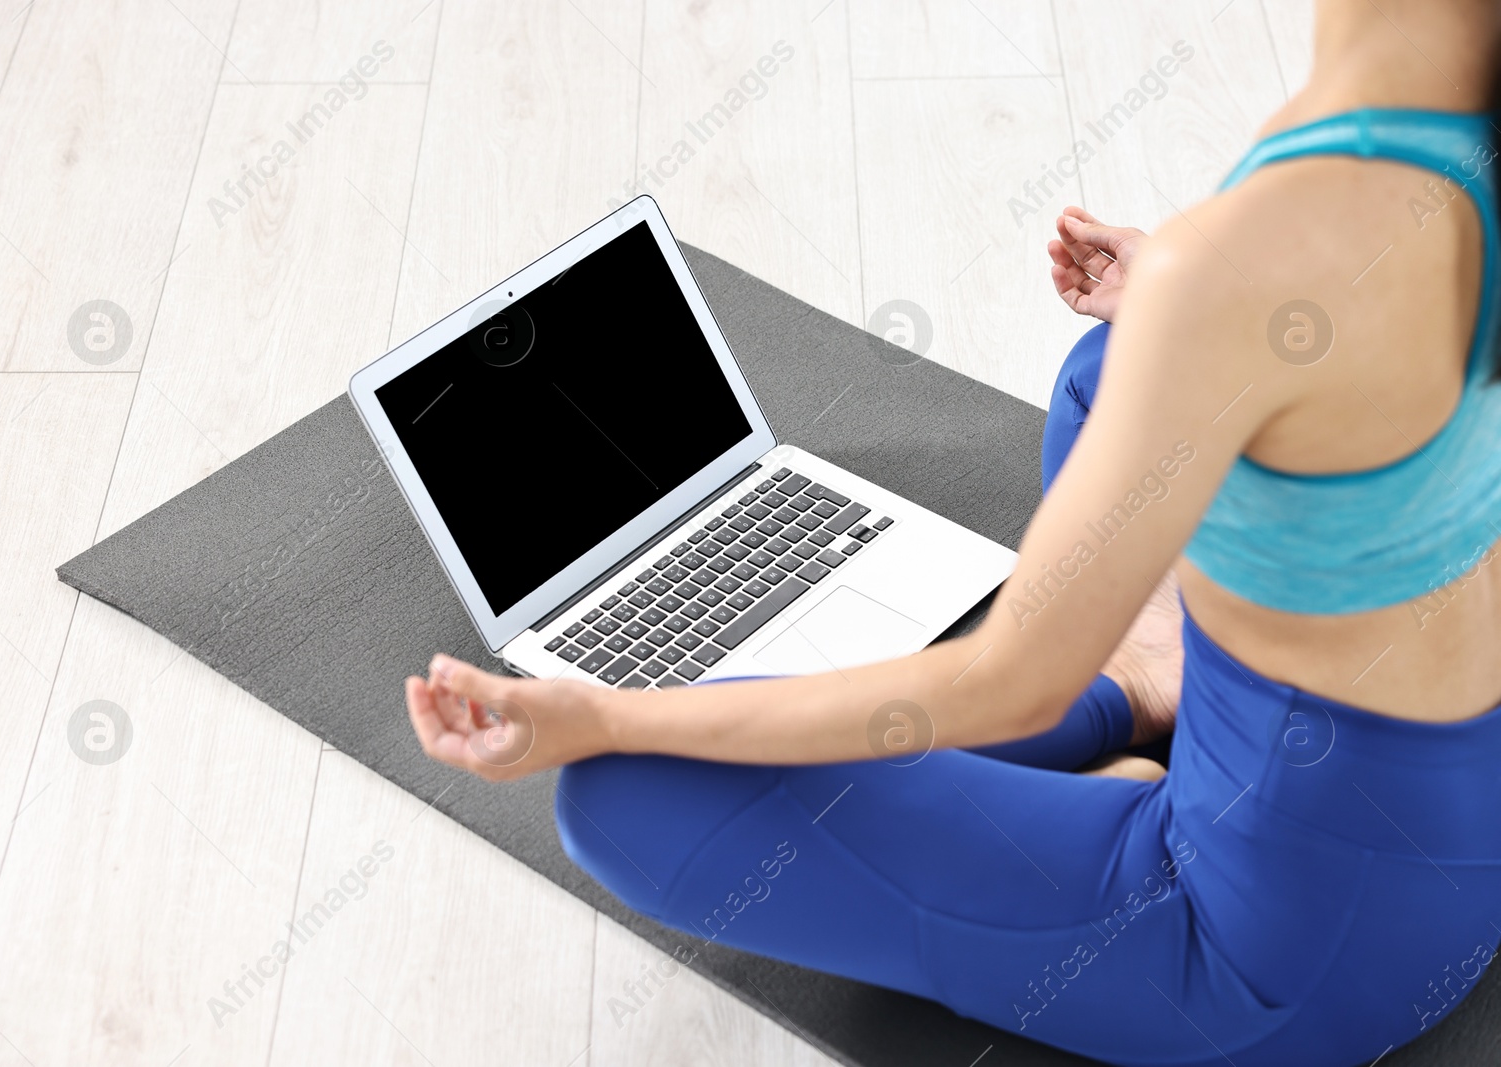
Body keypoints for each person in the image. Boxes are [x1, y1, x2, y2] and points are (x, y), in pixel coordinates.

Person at [404, 1, 1501, 1061]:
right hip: (1452, 804)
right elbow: (1389, 349)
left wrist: (603, 710)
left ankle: (1128, 706)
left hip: (1283, 955)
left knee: (623, 788)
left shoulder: (1253, 248)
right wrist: (1208, 329)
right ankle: (1151, 674)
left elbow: (1004, 683)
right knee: (1102, 373)